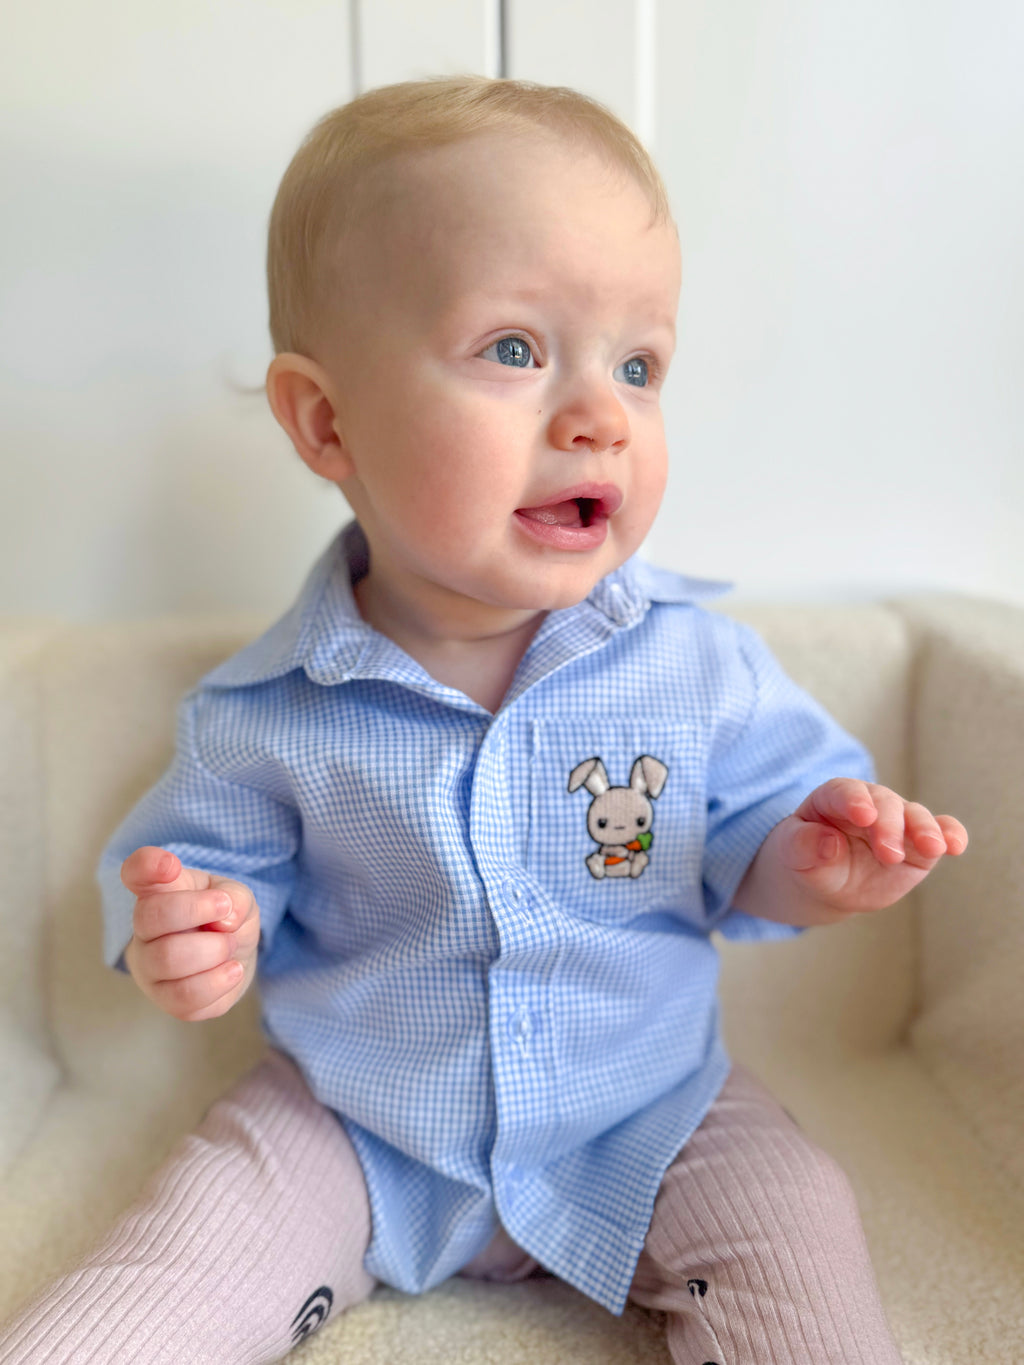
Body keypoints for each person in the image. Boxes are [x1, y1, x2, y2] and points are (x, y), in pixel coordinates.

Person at [0, 76, 967, 1365]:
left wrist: (824, 857)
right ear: (326, 419)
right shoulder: (265, 710)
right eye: (515, 350)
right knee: (164, 1276)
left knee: (798, 1234)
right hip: (355, 1120)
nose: (599, 414)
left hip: (655, 1112)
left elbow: (763, 847)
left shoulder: (698, 668)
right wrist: (187, 930)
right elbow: (181, 875)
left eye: (640, 363)